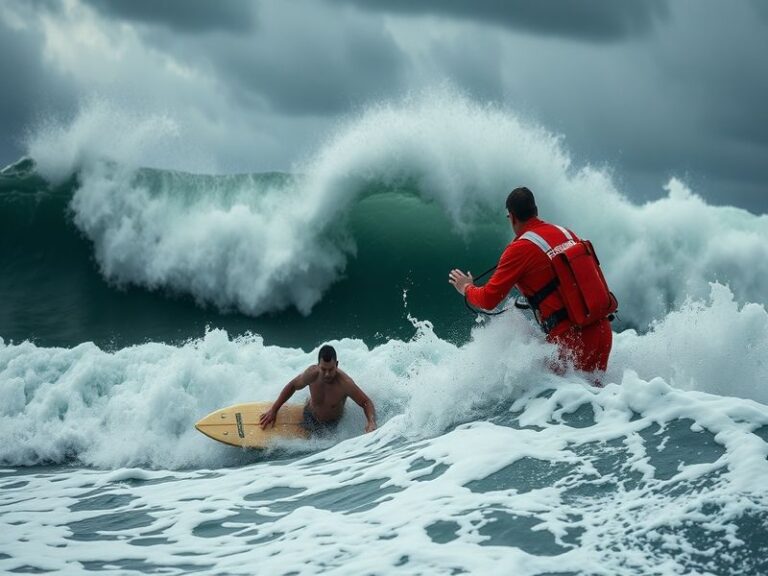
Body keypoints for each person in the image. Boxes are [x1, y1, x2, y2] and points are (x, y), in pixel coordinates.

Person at [448, 186, 613, 378]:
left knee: (556, 400)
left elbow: (488, 300)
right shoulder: (565, 232)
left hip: (573, 340)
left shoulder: (519, 249)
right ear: (536, 211)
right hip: (602, 329)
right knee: (596, 401)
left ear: (512, 217)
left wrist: (466, 287)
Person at [259, 344, 377, 435]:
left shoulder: (345, 383)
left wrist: (371, 422)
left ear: (336, 364)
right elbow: (292, 386)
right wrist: (274, 410)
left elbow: (366, 402)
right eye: (323, 369)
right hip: (309, 415)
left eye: (330, 369)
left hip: (330, 426)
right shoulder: (311, 374)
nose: (326, 374)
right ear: (318, 365)